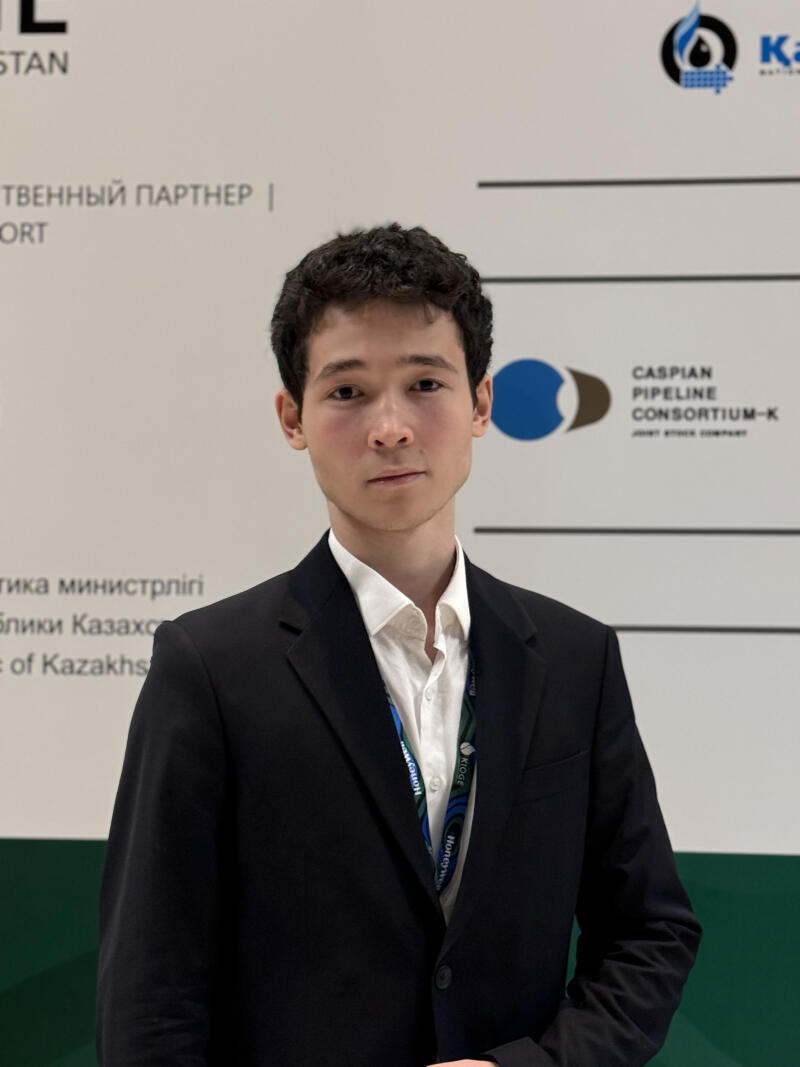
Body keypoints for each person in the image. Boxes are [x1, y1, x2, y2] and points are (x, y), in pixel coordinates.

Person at [97, 223, 701, 1067]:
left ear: (482, 403)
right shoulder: (210, 668)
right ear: (291, 417)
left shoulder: (574, 658)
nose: (389, 427)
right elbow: (149, 996)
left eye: (426, 382)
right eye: (347, 391)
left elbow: (650, 930)